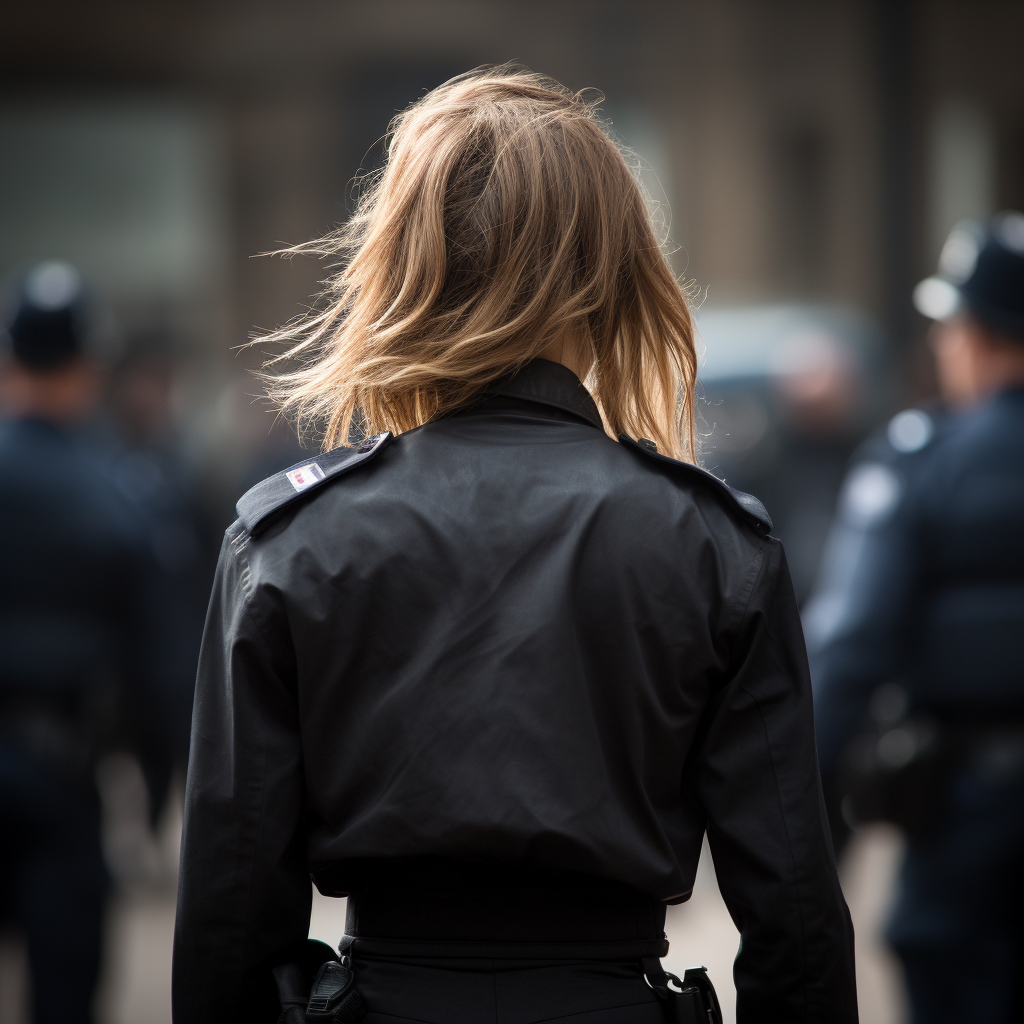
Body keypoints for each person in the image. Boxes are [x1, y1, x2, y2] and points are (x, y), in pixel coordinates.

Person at [173, 69, 857, 1024]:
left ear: (407, 264)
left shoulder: (290, 540)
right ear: (612, 273)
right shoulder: (712, 543)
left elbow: (229, 915)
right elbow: (795, 921)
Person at [807, 213, 1024, 1023]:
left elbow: (854, 648)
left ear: (977, 336)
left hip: (971, 818)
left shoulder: (924, 459)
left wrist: (808, 834)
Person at [0, 263, 160, 1023]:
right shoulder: (118, 496)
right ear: (88, 369)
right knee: (64, 999)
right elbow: (160, 670)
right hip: (64, 778)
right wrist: (156, 798)